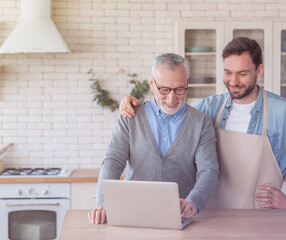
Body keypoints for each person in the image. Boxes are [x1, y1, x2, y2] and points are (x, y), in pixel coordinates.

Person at [119, 37, 286, 209]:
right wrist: (135, 105)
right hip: (209, 215)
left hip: (262, 220)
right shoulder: (208, 107)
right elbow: (169, 114)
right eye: (228, 73)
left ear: (258, 71)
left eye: (242, 74)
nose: (233, 82)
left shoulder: (285, 113)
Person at [88, 53, 219, 224]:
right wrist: (104, 204)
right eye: (164, 89)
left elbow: (209, 171)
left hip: (179, 217)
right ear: (152, 83)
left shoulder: (201, 122)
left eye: (179, 89)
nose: (171, 99)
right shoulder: (130, 116)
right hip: (131, 214)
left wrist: (193, 201)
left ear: (187, 83)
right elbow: (113, 161)